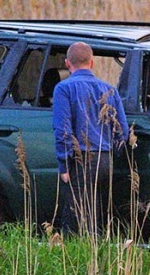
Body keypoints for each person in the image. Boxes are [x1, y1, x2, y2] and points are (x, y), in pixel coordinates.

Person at [52, 42, 129, 235]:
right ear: (92, 63)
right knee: (95, 217)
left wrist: (64, 165)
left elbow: (63, 130)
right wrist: (110, 154)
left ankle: (73, 258)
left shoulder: (63, 89)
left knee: (74, 221)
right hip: (105, 160)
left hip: (81, 160)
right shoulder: (109, 90)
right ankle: (94, 256)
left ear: (67, 63)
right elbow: (123, 131)